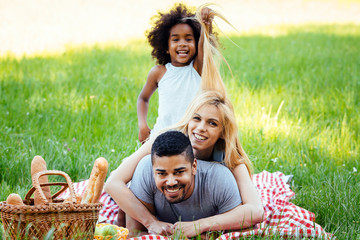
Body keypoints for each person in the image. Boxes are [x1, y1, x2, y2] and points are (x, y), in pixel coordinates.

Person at [105, 90, 264, 237]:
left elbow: (255, 211)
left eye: (212, 123)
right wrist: (150, 222)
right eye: (197, 118)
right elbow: (113, 183)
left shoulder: (229, 159)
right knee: (128, 191)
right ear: (189, 118)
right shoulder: (164, 140)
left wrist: (200, 225)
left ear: (223, 132)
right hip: (158, 201)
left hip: (206, 208)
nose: (201, 128)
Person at [127, 130, 243, 237]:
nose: (171, 182)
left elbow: (240, 230)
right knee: (123, 208)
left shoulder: (219, 178)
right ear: (152, 171)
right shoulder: (145, 170)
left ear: (194, 166)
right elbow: (134, 233)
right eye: (162, 174)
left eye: (179, 172)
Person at [137, 3, 225, 143]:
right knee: (137, 164)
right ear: (166, 47)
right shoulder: (159, 72)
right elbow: (143, 98)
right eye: (175, 39)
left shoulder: (197, 68)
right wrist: (142, 126)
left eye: (188, 39)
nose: (182, 43)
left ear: (196, 44)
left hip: (190, 139)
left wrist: (206, 26)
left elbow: (204, 44)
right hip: (161, 137)